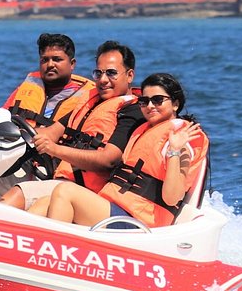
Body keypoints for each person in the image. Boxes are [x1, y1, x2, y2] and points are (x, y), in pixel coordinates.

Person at [36, 73, 208, 228]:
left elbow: (172, 197)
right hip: (116, 208)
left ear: (176, 104)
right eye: (144, 101)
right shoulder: (143, 130)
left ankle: (53, 254)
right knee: (45, 201)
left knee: (65, 191)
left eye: (157, 100)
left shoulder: (184, 139)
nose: (149, 106)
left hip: (139, 221)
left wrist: (175, 150)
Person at [1, 40, 145, 210]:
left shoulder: (132, 111)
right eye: (98, 73)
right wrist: (10, 133)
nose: (103, 80)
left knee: (19, 195)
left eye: (111, 73)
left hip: (86, 193)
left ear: (129, 76)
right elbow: (50, 133)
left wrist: (54, 149)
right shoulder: (89, 103)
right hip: (59, 181)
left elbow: (109, 160)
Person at [2, 33, 96, 125]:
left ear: (72, 64)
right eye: (45, 60)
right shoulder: (27, 87)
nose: (50, 65)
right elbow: (1, 118)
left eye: (57, 59)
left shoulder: (87, 97)